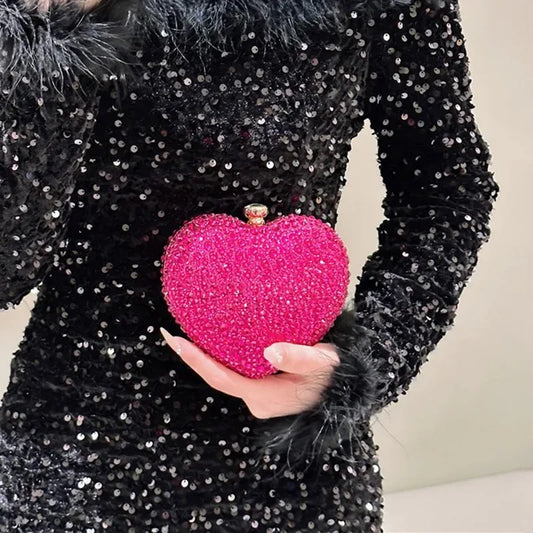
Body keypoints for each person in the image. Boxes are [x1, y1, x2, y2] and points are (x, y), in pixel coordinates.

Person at [0, 0, 499, 531]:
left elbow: (447, 191)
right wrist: (44, 37)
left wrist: (370, 359)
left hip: (294, 472)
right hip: (69, 455)